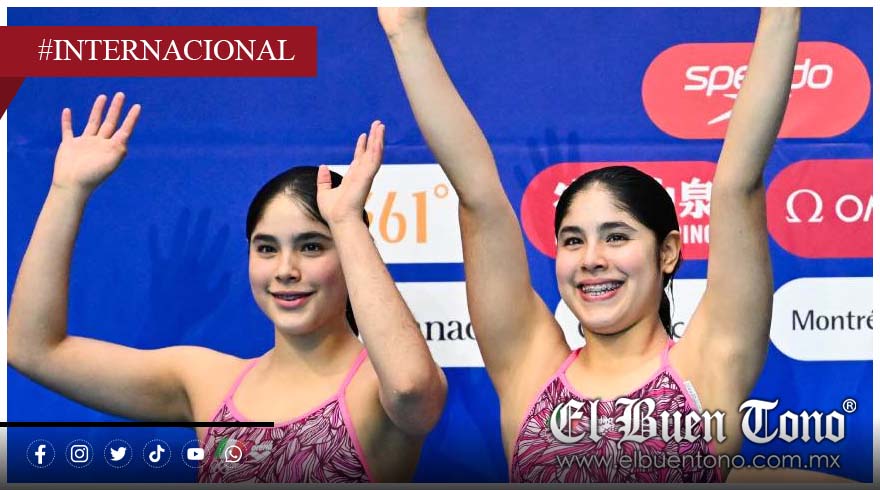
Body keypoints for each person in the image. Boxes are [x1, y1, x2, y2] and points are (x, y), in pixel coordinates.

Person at [380, 7, 805, 483]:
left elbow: (737, 185)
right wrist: (406, 32)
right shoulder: (530, 369)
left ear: (667, 252)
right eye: (573, 240)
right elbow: (478, 198)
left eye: (616, 237)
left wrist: (781, 14)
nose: (591, 260)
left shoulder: (709, 363)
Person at [7, 93, 447, 483]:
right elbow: (32, 349)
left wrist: (347, 220)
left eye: (311, 246)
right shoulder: (207, 382)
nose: (285, 269)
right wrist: (66, 191)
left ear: (350, 254)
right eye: (267, 248)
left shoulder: (375, 389)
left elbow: (410, 387)